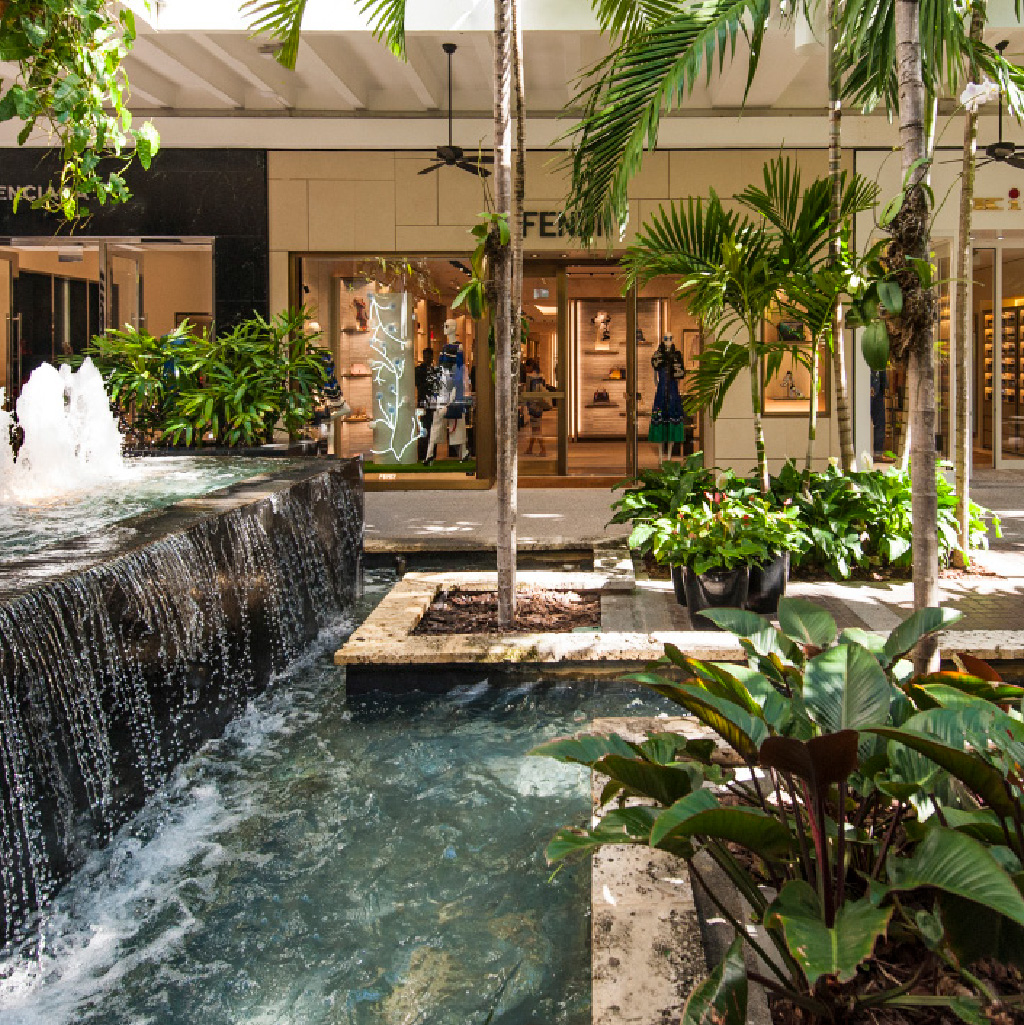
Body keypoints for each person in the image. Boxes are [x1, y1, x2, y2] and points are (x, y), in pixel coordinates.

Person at [523, 357, 552, 457]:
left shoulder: (530, 377)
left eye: (526, 367)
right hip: (539, 405)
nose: (525, 369)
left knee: (536, 429)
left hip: (533, 405)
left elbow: (529, 392)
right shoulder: (541, 375)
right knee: (535, 427)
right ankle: (530, 448)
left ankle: (543, 449)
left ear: (530, 366)